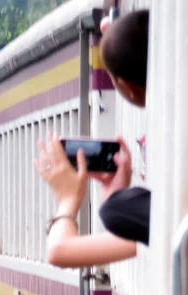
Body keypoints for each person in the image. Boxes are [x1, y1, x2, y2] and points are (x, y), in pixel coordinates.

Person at [35, 9, 149, 268]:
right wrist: (117, 195)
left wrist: (68, 199)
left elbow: (59, 252)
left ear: (127, 85)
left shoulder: (125, 211)